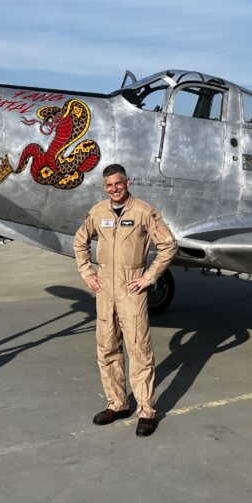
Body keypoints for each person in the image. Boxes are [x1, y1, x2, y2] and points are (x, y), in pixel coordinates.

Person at [73, 163, 177, 436]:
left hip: (132, 290)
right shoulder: (98, 212)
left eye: (118, 184)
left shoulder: (143, 212)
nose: (114, 189)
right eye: (108, 185)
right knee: (107, 348)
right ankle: (117, 404)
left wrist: (149, 277)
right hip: (105, 289)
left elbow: (168, 245)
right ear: (104, 187)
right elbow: (79, 241)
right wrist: (88, 274)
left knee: (138, 351)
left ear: (127, 182)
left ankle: (146, 412)